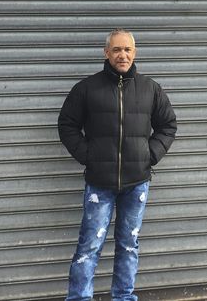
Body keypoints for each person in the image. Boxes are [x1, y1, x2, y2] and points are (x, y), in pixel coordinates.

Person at [58, 29, 177, 301]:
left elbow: (168, 125)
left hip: (137, 183)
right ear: (106, 53)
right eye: (116, 50)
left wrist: (150, 155)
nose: (122, 55)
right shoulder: (87, 89)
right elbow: (67, 126)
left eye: (127, 50)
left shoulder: (150, 89)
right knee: (89, 246)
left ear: (134, 53)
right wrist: (90, 157)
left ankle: (123, 297)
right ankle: (79, 298)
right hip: (100, 184)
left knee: (128, 246)